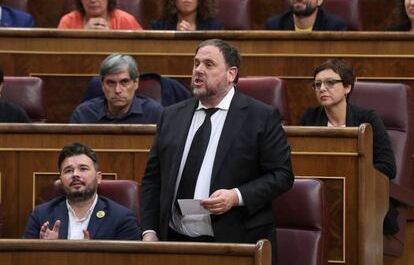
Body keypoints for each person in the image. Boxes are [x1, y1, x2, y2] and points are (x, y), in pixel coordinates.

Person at [140, 38, 293, 264]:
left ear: (231, 74)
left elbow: (282, 175)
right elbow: (153, 179)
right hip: (173, 242)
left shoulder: (260, 116)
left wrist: (236, 196)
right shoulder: (172, 115)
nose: (198, 70)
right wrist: (149, 231)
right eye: (196, 63)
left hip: (231, 243)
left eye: (209, 64)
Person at [298, 58, 398, 235]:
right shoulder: (309, 118)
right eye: (317, 84)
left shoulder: (367, 119)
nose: (322, 89)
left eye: (330, 83)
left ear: (347, 87)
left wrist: (352, 176)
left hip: (362, 198)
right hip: (320, 196)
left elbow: (387, 166)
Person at [24, 142, 140, 240]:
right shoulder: (41, 215)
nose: (75, 174)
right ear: (61, 180)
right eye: (68, 170)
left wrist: (90, 256)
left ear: (98, 178)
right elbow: (25, 259)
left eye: (83, 169)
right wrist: (47, 251)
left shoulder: (121, 218)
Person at [70, 53, 163, 123]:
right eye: (111, 83)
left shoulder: (155, 114)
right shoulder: (84, 114)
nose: (117, 90)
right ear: (102, 85)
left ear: (136, 83)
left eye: (124, 82)